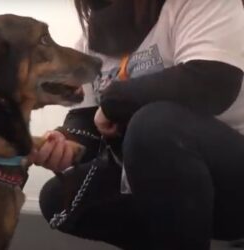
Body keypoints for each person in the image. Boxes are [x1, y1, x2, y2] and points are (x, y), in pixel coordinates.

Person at [32, 0, 244, 249]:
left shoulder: (199, 4)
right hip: (167, 190)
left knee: (154, 127)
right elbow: (88, 122)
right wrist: (67, 142)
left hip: (232, 182)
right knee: (57, 197)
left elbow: (213, 82)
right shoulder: (92, 41)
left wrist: (115, 101)